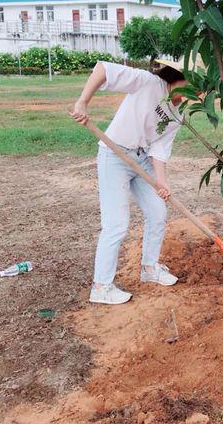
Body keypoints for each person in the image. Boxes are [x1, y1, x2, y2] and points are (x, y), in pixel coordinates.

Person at [70, 59, 188, 305]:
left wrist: (161, 182)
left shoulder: (179, 112)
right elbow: (104, 69)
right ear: (177, 78)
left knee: (157, 212)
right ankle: (101, 286)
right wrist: (83, 101)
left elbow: (159, 146)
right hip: (114, 155)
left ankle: (149, 268)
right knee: (117, 224)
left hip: (141, 159)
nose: (196, 95)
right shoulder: (148, 83)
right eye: (193, 87)